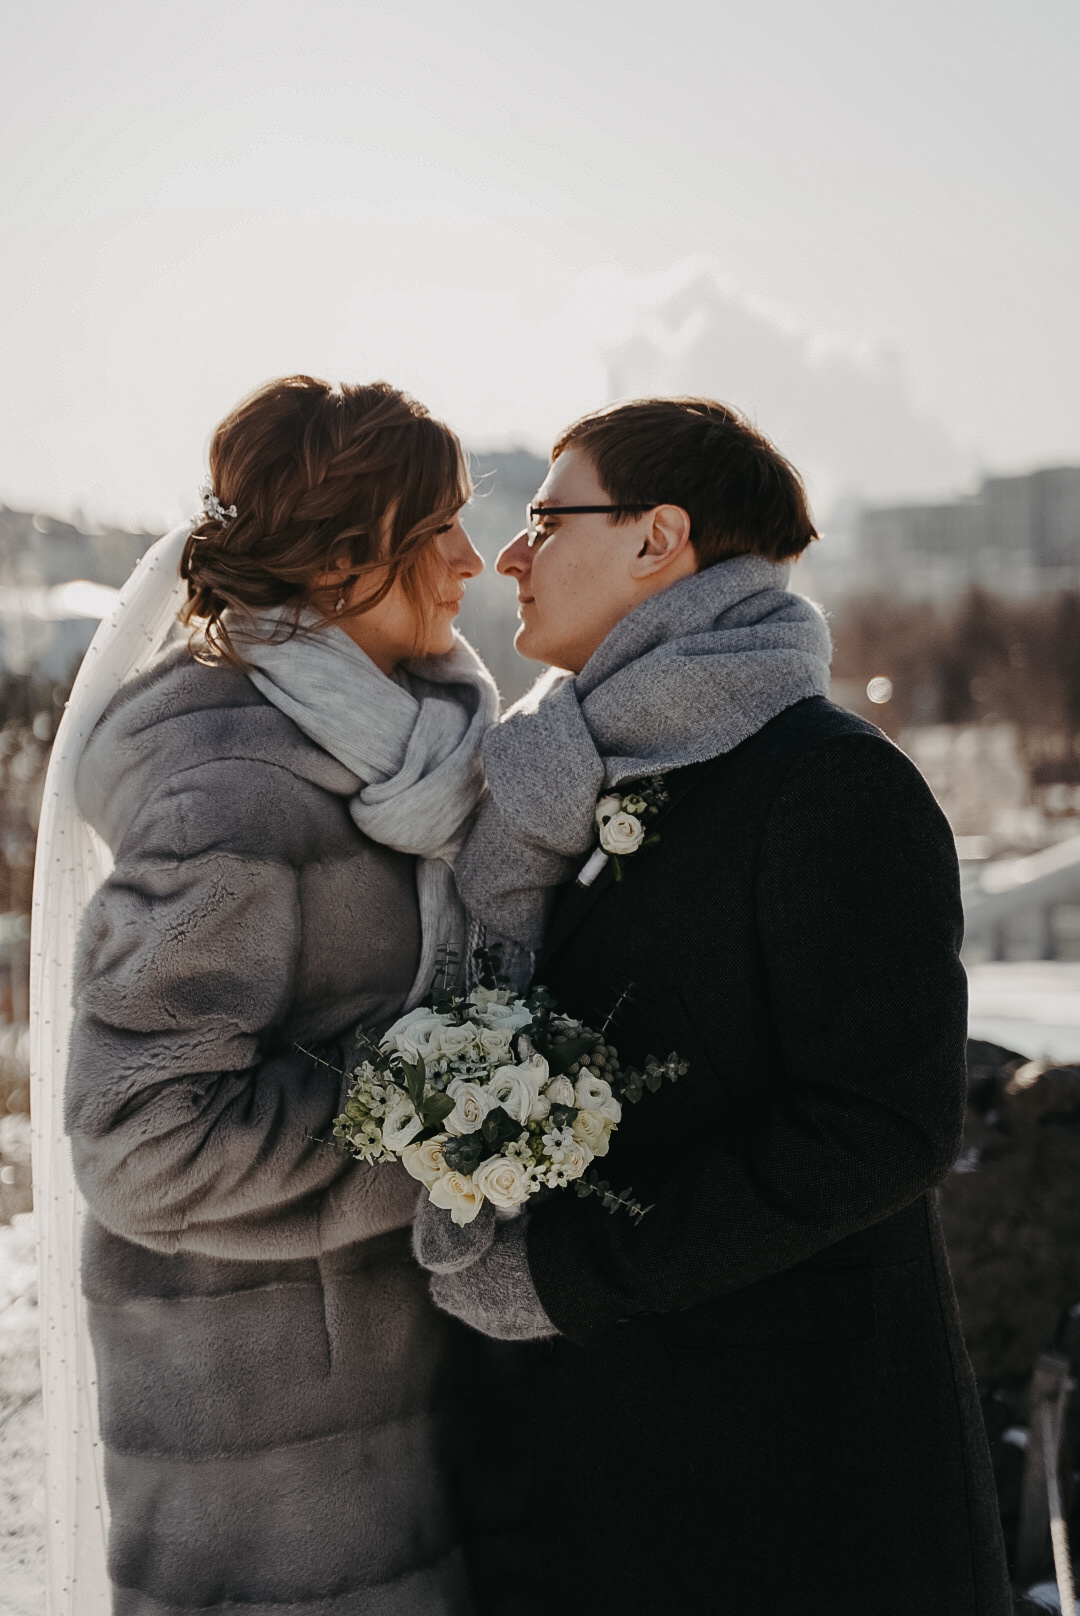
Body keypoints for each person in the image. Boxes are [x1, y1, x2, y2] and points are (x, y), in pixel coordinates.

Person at [415, 397, 1013, 1615]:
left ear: (659, 536)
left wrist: (571, 1271)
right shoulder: (554, 778)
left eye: (544, 515)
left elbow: (881, 1126)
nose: (511, 555)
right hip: (598, 1473)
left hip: (791, 1487)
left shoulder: (827, 782)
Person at [33, 375, 498, 1615]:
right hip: (268, 1476)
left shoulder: (395, 751)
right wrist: (445, 1136)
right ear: (349, 554)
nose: (473, 560)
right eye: (438, 526)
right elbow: (142, 1144)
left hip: (399, 1421)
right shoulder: (231, 788)